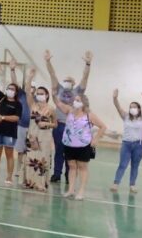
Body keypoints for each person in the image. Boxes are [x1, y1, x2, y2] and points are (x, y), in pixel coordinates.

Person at [44, 50, 92, 184]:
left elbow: (85, 78)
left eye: (69, 81)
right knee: (59, 150)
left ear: (73, 83)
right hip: (59, 125)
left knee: (69, 152)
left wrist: (88, 64)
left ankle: (68, 174)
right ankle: (57, 173)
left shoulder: (77, 92)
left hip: (72, 127)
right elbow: (52, 74)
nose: (66, 82)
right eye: (65, 80)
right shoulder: (58, 89)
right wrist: (48, 61)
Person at [55, 93, 107, 200]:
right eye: (75, 100)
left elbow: (103, 127)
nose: (75, 102)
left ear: (84, 103)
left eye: (78, 100)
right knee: (72, 166)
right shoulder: (69, 111)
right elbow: (57, 102)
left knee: (82, 167)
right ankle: (70, 190)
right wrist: (53, 89)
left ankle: (81, 191)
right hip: (69, 144)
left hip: (83, 145)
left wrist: (96, 139)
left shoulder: (89, 115)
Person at [0, 62, 23, 186]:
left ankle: (9, 176)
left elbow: (16, 118)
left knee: (9, 154)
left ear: (16, 92)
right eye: (9, 88)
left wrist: (3, 117)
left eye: (12, 89)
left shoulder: (18, 104)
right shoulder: (1, 98)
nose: (10, 90)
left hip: (10, 133)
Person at [111, 89, 142, 192]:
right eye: (131, 107)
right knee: (122, 164)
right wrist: (115, 98)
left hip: (139, 145)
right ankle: (116, 183)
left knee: (135, 165)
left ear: (139, 109)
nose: (132, 108)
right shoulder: (125, 117)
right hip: (126, 144)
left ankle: (132, 185)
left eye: (134, 107)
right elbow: (117, 107)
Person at [23, 78, 55, 192]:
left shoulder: (51, 109)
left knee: (42, 159)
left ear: (47, 95)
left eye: (42, 94)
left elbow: (55, 124)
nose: (39, 95)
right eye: (38, 94)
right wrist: (30, 77)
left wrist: (46, 123)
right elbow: (27, 91)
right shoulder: (33, 105)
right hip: (32, 136)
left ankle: (41, 183)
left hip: (45, 137)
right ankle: (29, 182)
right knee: (31, 158)